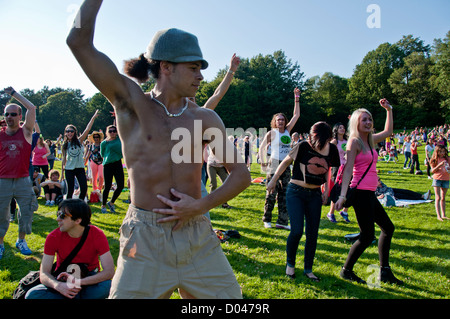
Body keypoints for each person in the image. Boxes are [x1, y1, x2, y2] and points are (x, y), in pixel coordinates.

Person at [67, 0, 250, 299]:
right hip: (145, 239)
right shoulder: (132, 104)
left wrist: (201, 206)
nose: (201, 76)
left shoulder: (205, 118)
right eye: (193, 68)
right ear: (166, 67)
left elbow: (241, 174)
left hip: (197, 235)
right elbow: (77, 41)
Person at [335, 99, 403, 285]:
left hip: (370, 193)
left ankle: (385, 271)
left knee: (387, 228)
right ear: (357, 122)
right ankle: (346, 271)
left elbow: (388, 132)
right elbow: (347, 170)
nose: (368, 122)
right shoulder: (354, 142)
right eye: (364, 120)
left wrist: (389, 109)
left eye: (370, 119)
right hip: (361, 194)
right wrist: (342, 196)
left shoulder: (371, 140)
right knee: (367, 236)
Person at [267, 122, 340, 282]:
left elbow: (328, 170)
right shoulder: (303, 146)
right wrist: (273, 180)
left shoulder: (332, 149)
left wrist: (326, 189)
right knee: (297, 231)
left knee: (312, 234)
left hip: (314, 194)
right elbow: (286, 162)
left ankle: (308, 269)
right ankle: (290, 265)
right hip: (296, 192)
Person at [25, 199, 115, 299]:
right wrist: (58, 286)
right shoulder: (53, 237)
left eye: (62, 215)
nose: (58, 219)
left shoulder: (97, 234)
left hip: (88, 278)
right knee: (33, 295)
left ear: (78, 220)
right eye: (58, 214)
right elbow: (44, 273)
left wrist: (79, 282)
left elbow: (109, 271)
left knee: (109, 286)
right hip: (63, 280)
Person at [0, 87, 36, 259]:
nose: (9, 117)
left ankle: (21, 240)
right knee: (1, 213)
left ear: (20, 117)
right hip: (3, 180)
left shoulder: (26, 132)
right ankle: (0, 243)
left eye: (14, 114)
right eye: (7, 114)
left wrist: (14, 94)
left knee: (27, 211)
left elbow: (32, 108)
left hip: (23, 180)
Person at [259, 87, 301, 229]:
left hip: (286, 164)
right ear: (275, 122)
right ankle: (267, 219)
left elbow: (296, 115)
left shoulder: (288, 130)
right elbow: (262, 147)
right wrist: (263, 161)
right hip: (274, 163)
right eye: (278, 120)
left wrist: (296, 98)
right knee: (271, 192)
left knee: (285, 194)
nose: (281, 122)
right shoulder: (272, 133)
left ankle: (282, 221)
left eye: (282, 120)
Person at [61, 110, 99, 201]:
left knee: (84, 188)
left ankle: (80, 203)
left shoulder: (79, 141)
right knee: (70, 190)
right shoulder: (64, 145)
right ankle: (69, 206)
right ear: (66, 133)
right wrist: (62, 174)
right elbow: (63, 158)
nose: (69, 133)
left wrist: (93, 117)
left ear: (74, 132)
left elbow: (87, 129)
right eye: (68, 131)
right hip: (69, 169)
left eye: (71, 131)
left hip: (79, 168)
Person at [327, 122, 350, 223]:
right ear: (336, 129)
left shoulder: (347, 141)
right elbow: (328, 154)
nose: (342, 129)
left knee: (349, 189)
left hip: (348, 167)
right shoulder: (334, 142)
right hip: (337, 167)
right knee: (337, 190)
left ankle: (344, 211)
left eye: (343, 127)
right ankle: (331, 213)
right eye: (340, 128)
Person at [100, 125, 124, 213]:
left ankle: (111, 202)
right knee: (107, 186)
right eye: (110, 131)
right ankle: (103, 205)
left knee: (121, 185)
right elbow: (102, 154)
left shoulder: (119, 139)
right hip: (108, 165)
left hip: (117, 163)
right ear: (107, 132)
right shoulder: (104, 143)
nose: (112, 132)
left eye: (114, 131)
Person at [429, 144, 450, 221]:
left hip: (446, 178)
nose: (442, 153)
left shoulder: (448, 159)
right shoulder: (434, 160)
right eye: (440, 151)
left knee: (443, 197)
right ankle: (439, 215)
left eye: (443, 151)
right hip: (437, 179)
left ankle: (443, 215)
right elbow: (432, 171)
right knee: (438, 197)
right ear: (437, 152)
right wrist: (439, 165)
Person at [86, 131, 104, 196]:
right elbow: (88, 154)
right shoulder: (92, 146)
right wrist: (84, 162)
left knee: (101, 176)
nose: (96, 138)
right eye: (95, 137)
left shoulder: (102, 144)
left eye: (97, 137)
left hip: (101, 162)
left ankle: (99, 189)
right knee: (94, 177)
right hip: (93, 162)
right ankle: (95, 190)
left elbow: (105, 153)